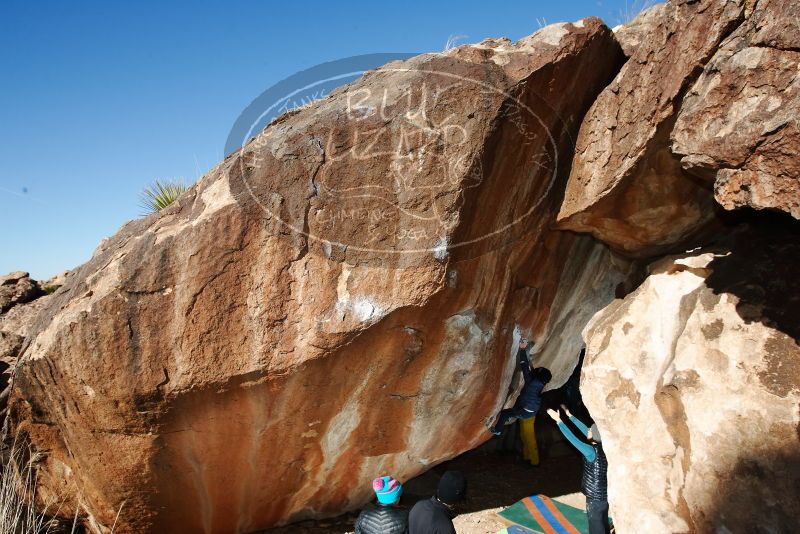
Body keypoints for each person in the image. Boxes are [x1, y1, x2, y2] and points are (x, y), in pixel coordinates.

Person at [547, 405, 609, 534]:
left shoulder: (590, 452)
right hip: (603, 498)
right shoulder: (603, 447)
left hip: (594, 499)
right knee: (603, 525)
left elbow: (573, 439)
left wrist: (559, 421)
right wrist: (570, 416)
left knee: (596, 528)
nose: (588, 431)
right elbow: (587, 431)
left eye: (590, 431)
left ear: (593, 437)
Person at [490, 339, 552, 435]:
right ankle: (511, 415)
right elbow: (532, 371)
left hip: (524, 411)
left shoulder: (531, 381)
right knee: (520, 399)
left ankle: (498, 430)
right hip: (532, 411)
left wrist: (522, 349)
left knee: (505, 413)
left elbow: (524, 365)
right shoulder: (541, 383)